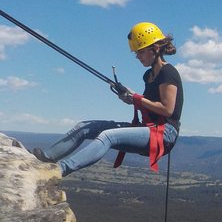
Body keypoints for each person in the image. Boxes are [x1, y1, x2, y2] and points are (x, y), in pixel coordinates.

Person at [33, 22, 184, 177]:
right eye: (136, 53)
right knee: (84, 127)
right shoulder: (149, 75)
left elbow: (167, 109)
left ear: (156, 48)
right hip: (150, 127)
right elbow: (150, 106)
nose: (137, 56)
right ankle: (45, 157)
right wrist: (132, 98)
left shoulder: (168, 72)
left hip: (165, 134)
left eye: (141, 52)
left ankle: (58, 170)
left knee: (108, 136)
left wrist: (137, 98)